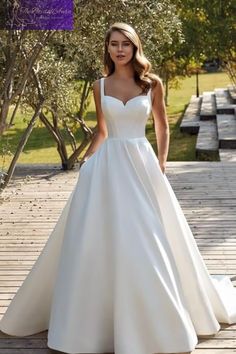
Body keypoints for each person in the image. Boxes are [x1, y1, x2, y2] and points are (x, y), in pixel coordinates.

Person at [1, 22, 236, 354]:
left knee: (147, 235)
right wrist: (87, 159)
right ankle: (96, 322)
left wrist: (162, 165)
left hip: (141, 164)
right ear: (108, 49)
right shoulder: (99, 85)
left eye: (126, 43)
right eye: (114, 44)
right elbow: (103, 130)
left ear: (135, 46)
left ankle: (157, 319)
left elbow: (161, 126)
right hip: (107, 167)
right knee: (99, 237)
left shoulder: (152, 84)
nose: (120, 49)